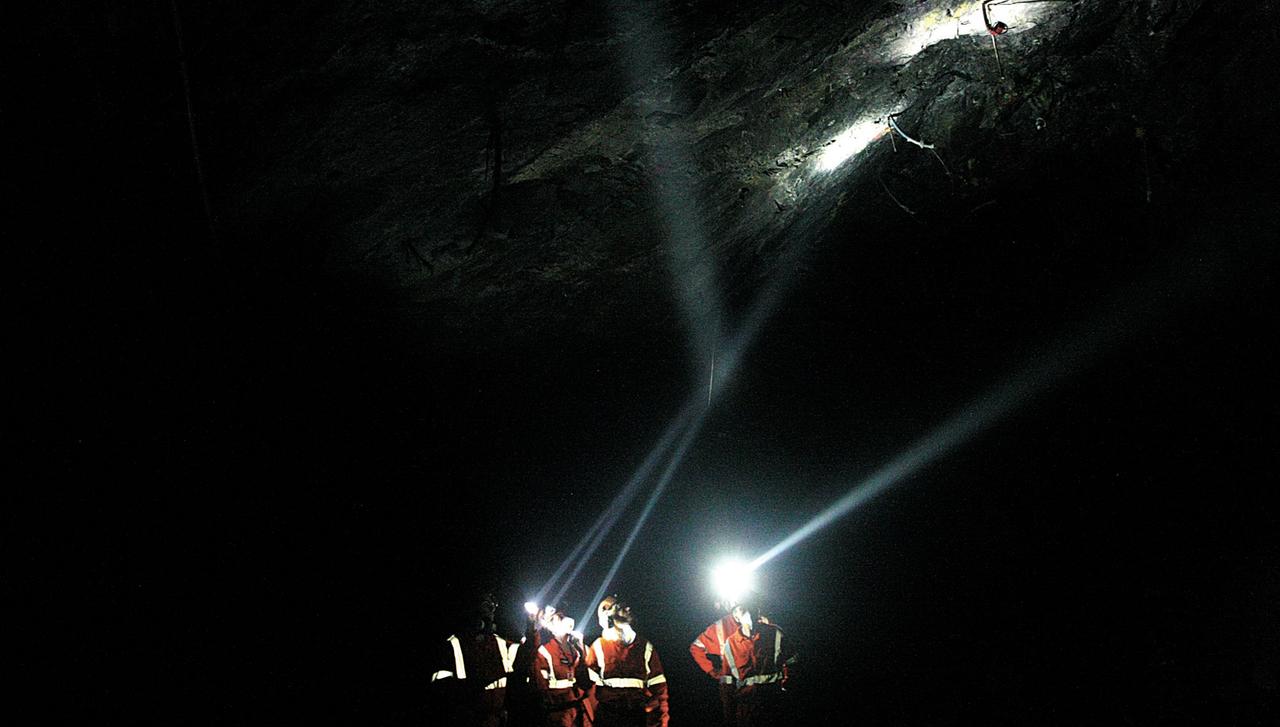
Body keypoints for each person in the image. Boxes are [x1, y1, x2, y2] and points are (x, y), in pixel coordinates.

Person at [689, 599, 796, 727]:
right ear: (735, 613)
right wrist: (713, 671)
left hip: (772, 704)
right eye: (743, 610)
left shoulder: (772, 631)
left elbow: (790, 660)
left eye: (751, 609)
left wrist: (787, 686)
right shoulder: (727, 636)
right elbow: (697, 648)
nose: (748, 614)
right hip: (745, 705)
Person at [429, 592, 519, 727]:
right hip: (469, 719)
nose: (491, 613)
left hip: (496, 719)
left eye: (492, 609)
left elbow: (524, 657)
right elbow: (442, 691)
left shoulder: (498, 642)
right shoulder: (455, 644)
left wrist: (532, 628)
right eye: (487, 607)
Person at [584, 595, 670, 727]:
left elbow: (660, 688)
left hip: (636, 717)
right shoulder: (599, 647)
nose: (628, 608)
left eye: (627, 605)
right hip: (608, 718)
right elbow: (586, 687)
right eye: (620, 607)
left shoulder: (644, 646)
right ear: (608, 613)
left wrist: (662, 720)